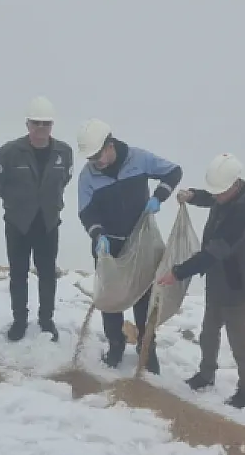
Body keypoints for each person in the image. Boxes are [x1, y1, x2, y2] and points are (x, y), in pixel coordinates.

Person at [76, 118, 183, 374]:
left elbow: (173, 172)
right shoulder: (87, 177)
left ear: (110, 144)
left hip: (140, 242)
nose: (95, 162)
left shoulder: (138, 159)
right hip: (108, 246)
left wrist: (159, 197)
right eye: (90, 158)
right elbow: (85, 212)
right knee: (110, 298)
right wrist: (97, 233)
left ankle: (147, 348)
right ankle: (115, 345)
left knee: (144, 298)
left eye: (98, 155)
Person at [159, 153, 245, 408]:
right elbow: (213, 199)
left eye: (220, 192)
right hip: (218, 280)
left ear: (235, 185)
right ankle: (206, 374)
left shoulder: (243, 216)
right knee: (208, 332)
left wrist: (178, 272)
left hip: (238, 286)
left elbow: (212, 253)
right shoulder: (228, 194)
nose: (215, 197)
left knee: (239, 342)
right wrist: (193, 195)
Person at [0, 96, 73, 341]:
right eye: (36, 123)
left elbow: (64, 180)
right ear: (27, 124)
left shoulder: (63, 152)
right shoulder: (9, 152)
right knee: (19, 273)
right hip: (18, 224)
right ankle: (19, 321)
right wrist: (18, 205)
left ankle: (46, 320)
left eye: (45, 124)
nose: (40, 128)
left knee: (47, 273)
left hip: (47, 223)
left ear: (52, 126)